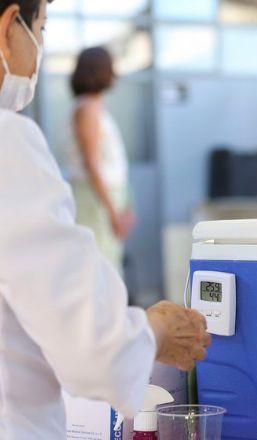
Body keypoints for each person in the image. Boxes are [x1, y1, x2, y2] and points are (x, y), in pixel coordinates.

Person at [0, 1, 210, 437]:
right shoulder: (10, 144)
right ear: (8, 27)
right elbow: (92, 346)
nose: (38, 46)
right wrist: (155, 332)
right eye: (40, 28)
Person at [63, 47, 133, 273]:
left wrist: (124, 206)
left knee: (107, 267)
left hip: (103, 198)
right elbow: (91, 164)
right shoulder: (88, 109)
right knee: (101, 269)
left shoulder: (93, 106)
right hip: (94, 200)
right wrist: (113, 212)